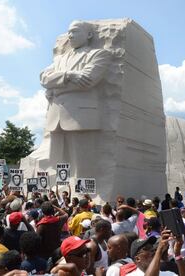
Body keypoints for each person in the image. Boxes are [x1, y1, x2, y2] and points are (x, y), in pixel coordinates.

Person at [39, 20, 112, 180]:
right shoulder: (59, 59)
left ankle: (85, 196)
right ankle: (62, 193)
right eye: (69, 32)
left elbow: (88, 80)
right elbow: (44, 78)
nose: (70, 35)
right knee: (58, 163)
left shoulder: (98, 54)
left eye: (75, 31)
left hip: (81, 117)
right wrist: (69, 75)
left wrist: (54, 87)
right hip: (56, 117)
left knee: (83, 164)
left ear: (89, 34)